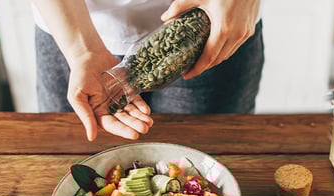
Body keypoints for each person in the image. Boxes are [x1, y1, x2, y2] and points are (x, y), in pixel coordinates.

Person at [32, 0, 263, 141]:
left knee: (211, 162)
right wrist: (83, 52)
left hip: (215, 23)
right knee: (73, 156)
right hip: (67, 25)